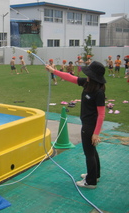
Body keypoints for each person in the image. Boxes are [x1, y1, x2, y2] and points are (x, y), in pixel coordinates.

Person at [46, 61, 106, 189]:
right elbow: (71, 78)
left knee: (89, 153)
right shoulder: (87, 83)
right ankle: (95, 175)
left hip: (90, 126)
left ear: (94, 76)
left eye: (89, 73)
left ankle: (90, 182)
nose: (86, 75)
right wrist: (53, 71)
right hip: (87, 123)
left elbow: (101, 114)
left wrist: (96, 133)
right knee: (92, 151)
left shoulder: (99, 92)